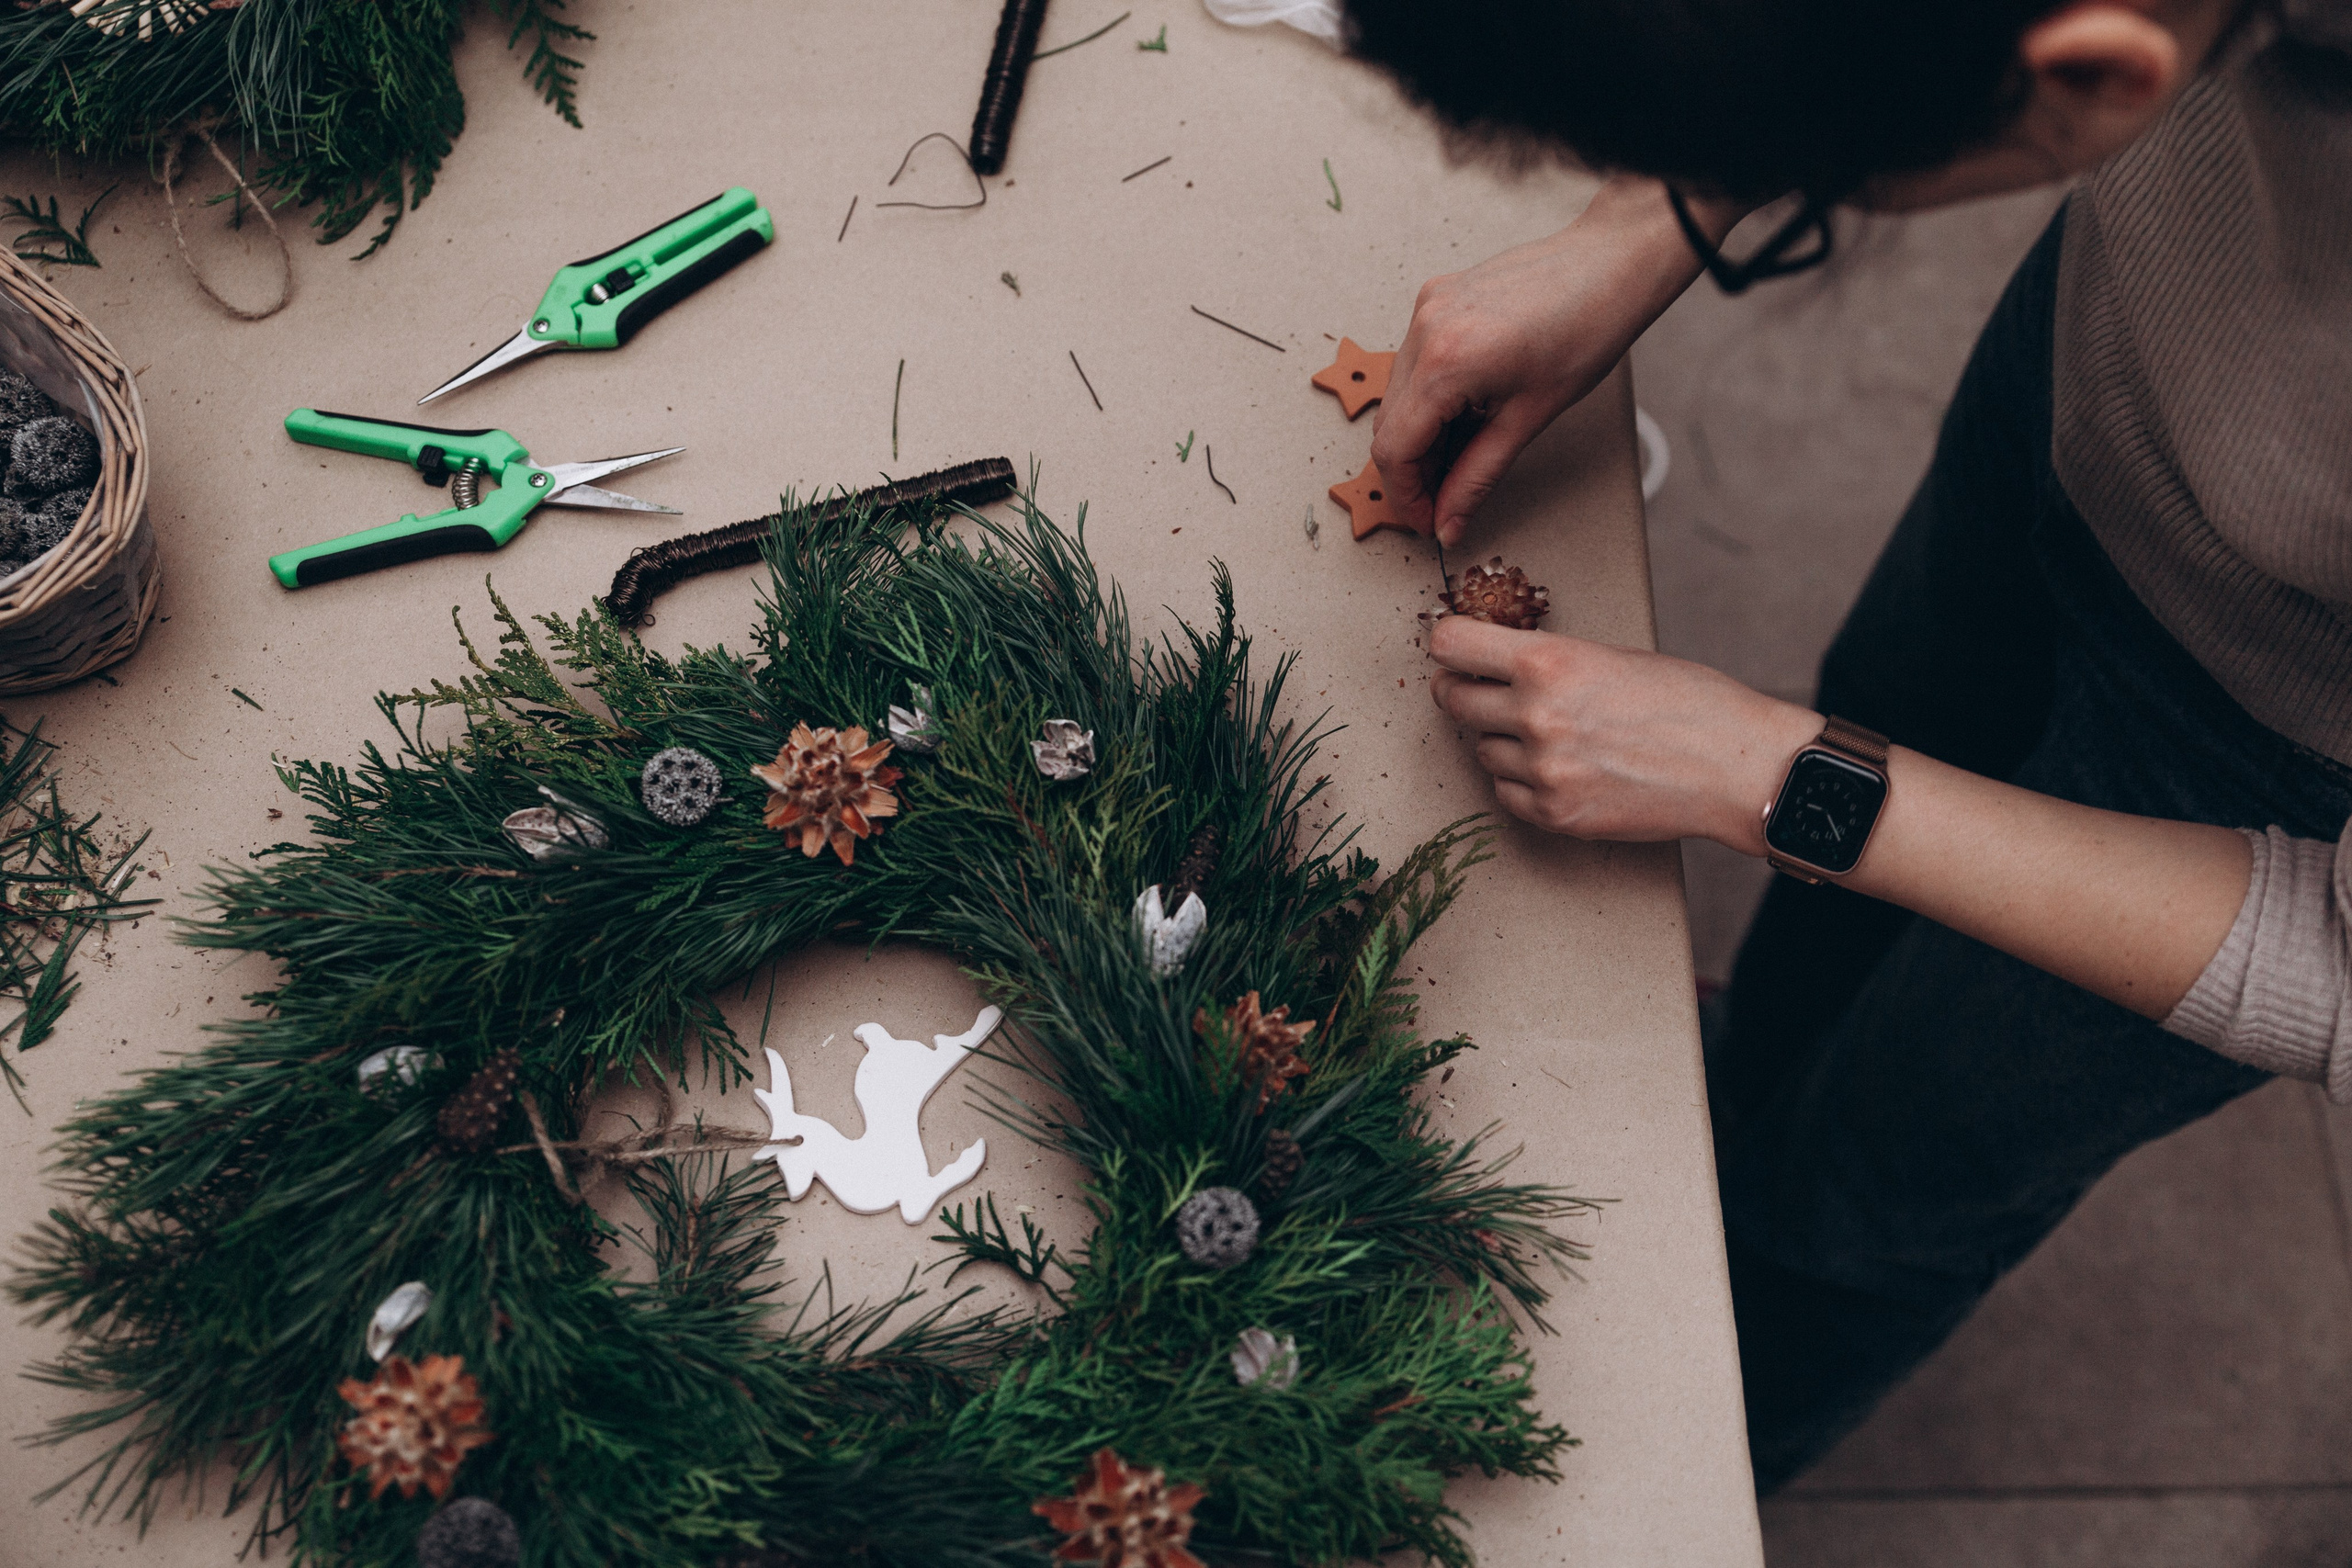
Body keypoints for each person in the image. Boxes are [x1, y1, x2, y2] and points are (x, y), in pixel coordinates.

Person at [1340, 0, 2352, 1490]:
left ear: (2087, 75)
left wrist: (1780, 777)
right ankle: (1756, 1070)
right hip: (2091, 406)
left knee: (1872, 1197)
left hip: (2272, 763)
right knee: (1885, 746)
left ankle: (1657, 1466)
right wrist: (1675, 208)